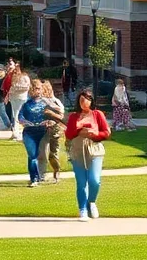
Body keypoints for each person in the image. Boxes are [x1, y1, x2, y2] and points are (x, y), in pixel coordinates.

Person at [65, 88, 111, 221]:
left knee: (94, 180)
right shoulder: (74, 116)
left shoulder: (98, 114)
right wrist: (78, 127)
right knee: (81, 183)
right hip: (78, 151)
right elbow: (68, 134)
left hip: (95, 150)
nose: (83, 102)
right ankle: (83, 209)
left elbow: (106, 132)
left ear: (91, 101)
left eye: (86, 99)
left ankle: (91, 202)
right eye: (81, 100)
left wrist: (96, 135)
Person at [16, 81, 52, 187]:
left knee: (43, 154)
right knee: (32, 155)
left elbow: (54, 115)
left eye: (39, 88)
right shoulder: (26, 104)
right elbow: (20, 117)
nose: (38, 90)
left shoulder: (46, 103)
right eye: (36, 88)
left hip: (42, 131)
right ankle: (34, 178)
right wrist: (25, 122)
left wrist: (49, 122)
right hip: (29, 132)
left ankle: (41, 175)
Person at [37, 81, 65, 183]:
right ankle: (41, 175)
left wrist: (51, 113)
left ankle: (56, 172)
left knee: (54, 154)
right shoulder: (37, 102)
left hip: (55, 129)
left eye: (46, 88)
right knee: (42, 153)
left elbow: (61, 116)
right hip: (42, 129)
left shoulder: (56, 101)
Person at [7, 64, 31, 142]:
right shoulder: (13, 77)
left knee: (19, 115)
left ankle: (20, 132)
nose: (16, 70)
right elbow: (11, 87)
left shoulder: (25, 77)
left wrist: (16, 89)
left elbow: (27, 87)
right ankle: (15, 132)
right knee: (15, 115)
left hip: (21, 98)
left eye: (17, 68)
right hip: (13, 98)